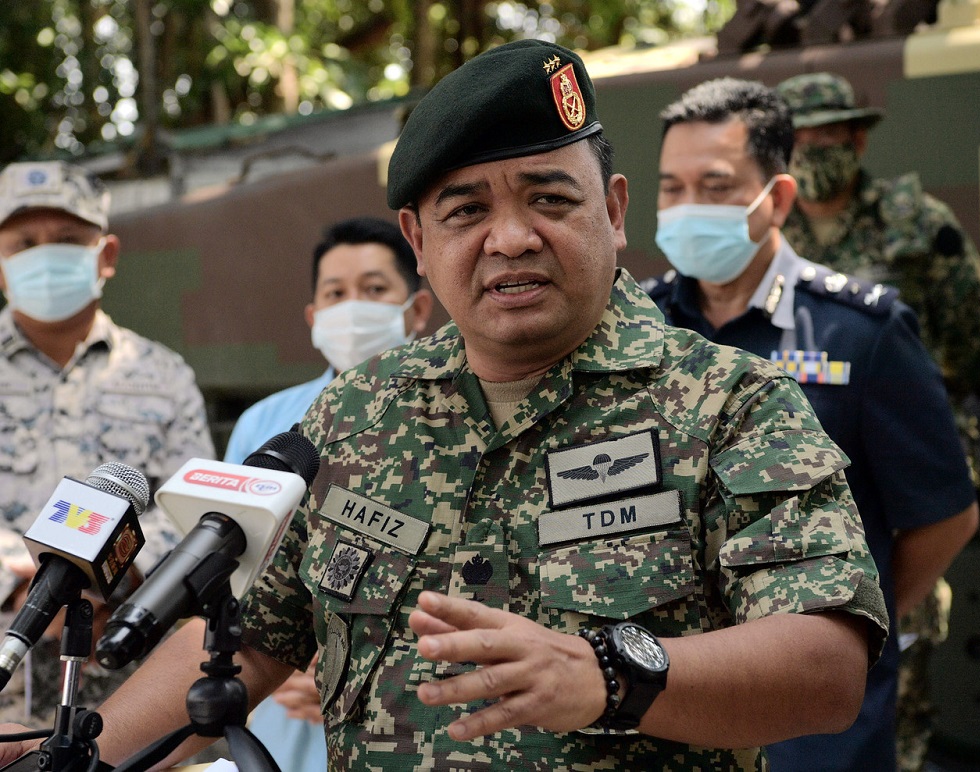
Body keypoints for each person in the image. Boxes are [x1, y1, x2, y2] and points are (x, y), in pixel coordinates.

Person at [1, 41, 889, 770]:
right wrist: (66, 762)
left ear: (614, 213)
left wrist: (610, 675)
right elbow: (251, 640)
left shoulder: (733, 403)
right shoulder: (358, 413)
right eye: (466, 211)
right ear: (420, 244)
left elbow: (825, 665)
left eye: (549, 198)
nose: (511, 236)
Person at [642, 77, 979, 771]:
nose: (687, 207)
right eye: (671, 188)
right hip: (669, 705)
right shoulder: (639, 331)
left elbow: (946, 515)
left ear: (780, 198)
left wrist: (852, 624)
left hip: (814, 729)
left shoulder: (862, 331)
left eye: (714, 184)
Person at [776, 71, 980, 771]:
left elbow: (971, 345)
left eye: (826, 137)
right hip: (795, 489)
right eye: (796, 140)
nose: (811, 152)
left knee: (898, 686)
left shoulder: (919, 224)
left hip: (899, 478)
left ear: (859, 137)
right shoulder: (764, 237)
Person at [0, 161, 215, 726]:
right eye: (24, 243)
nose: (45, 255)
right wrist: (28, 581)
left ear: (107, 255)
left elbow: (196, 510)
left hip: (132, 684)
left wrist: (115, 576)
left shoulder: (163, 375)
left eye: (68, 240)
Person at [224, 216, 433, 771]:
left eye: (374, 289)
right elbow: (235, 581)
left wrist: (351, 664)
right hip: (280, 709)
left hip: (405, 712)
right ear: (314, 318)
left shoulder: (448, 421)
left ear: (416, 310)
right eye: (336, 294)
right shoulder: (265, 426)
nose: (352, 307)